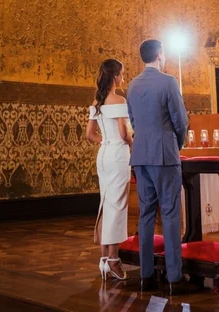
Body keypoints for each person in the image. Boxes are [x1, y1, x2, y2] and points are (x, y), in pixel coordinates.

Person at [126, 39, 188, 294]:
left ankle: (146, 276)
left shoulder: (132, 85)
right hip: (164, 155)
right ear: (160, 55)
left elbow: (133, 120)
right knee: (171, 213)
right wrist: (177, 144)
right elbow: (180, 120)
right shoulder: (168, 81)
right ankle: (174, 277)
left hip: (140, 154)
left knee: (146, 215)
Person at [86, 58, 133, 282]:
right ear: (115, 76)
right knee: (118, 205)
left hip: (104, 154)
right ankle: (113, 260)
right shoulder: (118, 100)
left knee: (106, 203)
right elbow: (125, 134)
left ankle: (105, 258)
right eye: (122, 73)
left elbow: (89, 134)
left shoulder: (98, 101)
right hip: (118, 155)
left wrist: (105, 142)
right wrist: (136, 144)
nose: (123, 77)